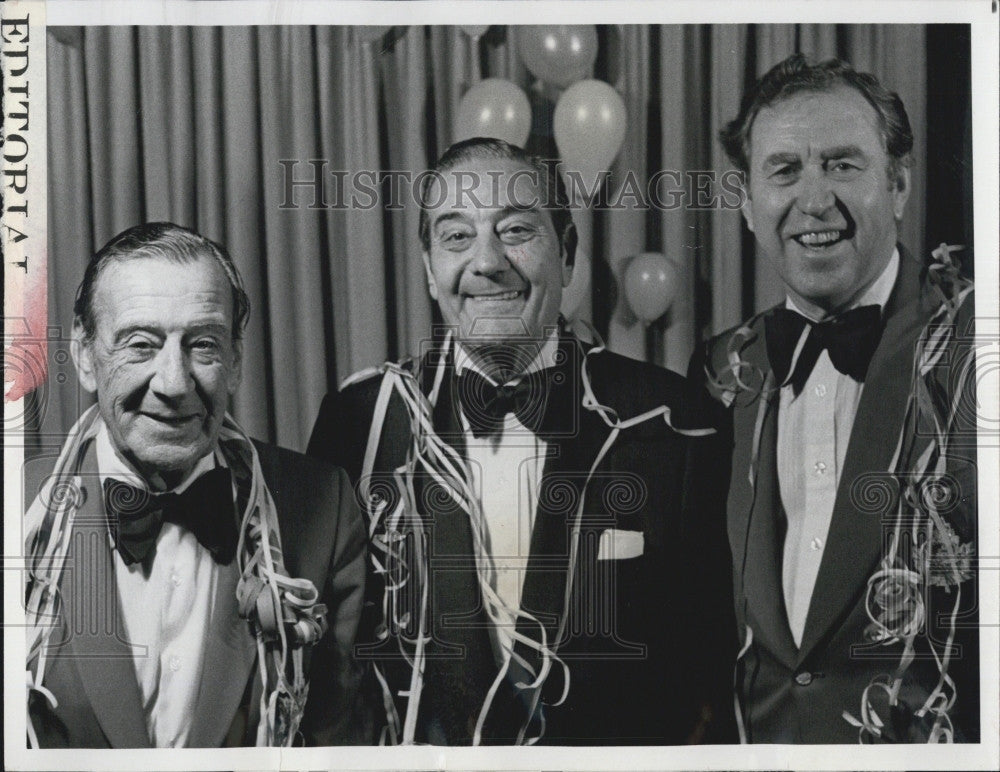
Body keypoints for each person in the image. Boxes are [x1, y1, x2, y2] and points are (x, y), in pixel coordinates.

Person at [308, 137, 736, 745]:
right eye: (456, 236)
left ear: (566, 255)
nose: (487, 262)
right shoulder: (361, 421)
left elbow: (711, 678)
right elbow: (329, 673)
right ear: (430, 271)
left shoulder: (678, 423)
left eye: (514, 230)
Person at [691, 54, 978, 743]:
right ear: (747, 203)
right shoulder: (722, 371)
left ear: (899, 186)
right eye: (784, 170)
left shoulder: (979, 352)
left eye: (843, 165)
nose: (814, 199)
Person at [24, 222, 368, 748]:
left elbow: (338, 741)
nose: (174, 384)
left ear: (234, 362)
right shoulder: (16, 508)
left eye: (202, 345)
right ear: (86, 356)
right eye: (140, 345)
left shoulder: (323, 504)